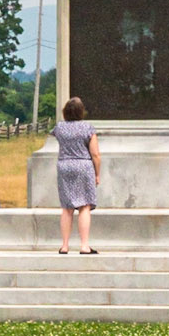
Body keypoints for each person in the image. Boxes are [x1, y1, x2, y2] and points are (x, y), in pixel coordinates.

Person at [54, 95, 101, 253]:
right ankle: (84, 245)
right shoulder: (87, 128)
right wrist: (97, 173)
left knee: (67, 207)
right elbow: (95, 154)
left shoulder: (59, 127)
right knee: (84, 206)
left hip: (64, 165)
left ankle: (65, 245)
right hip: (83, 165)